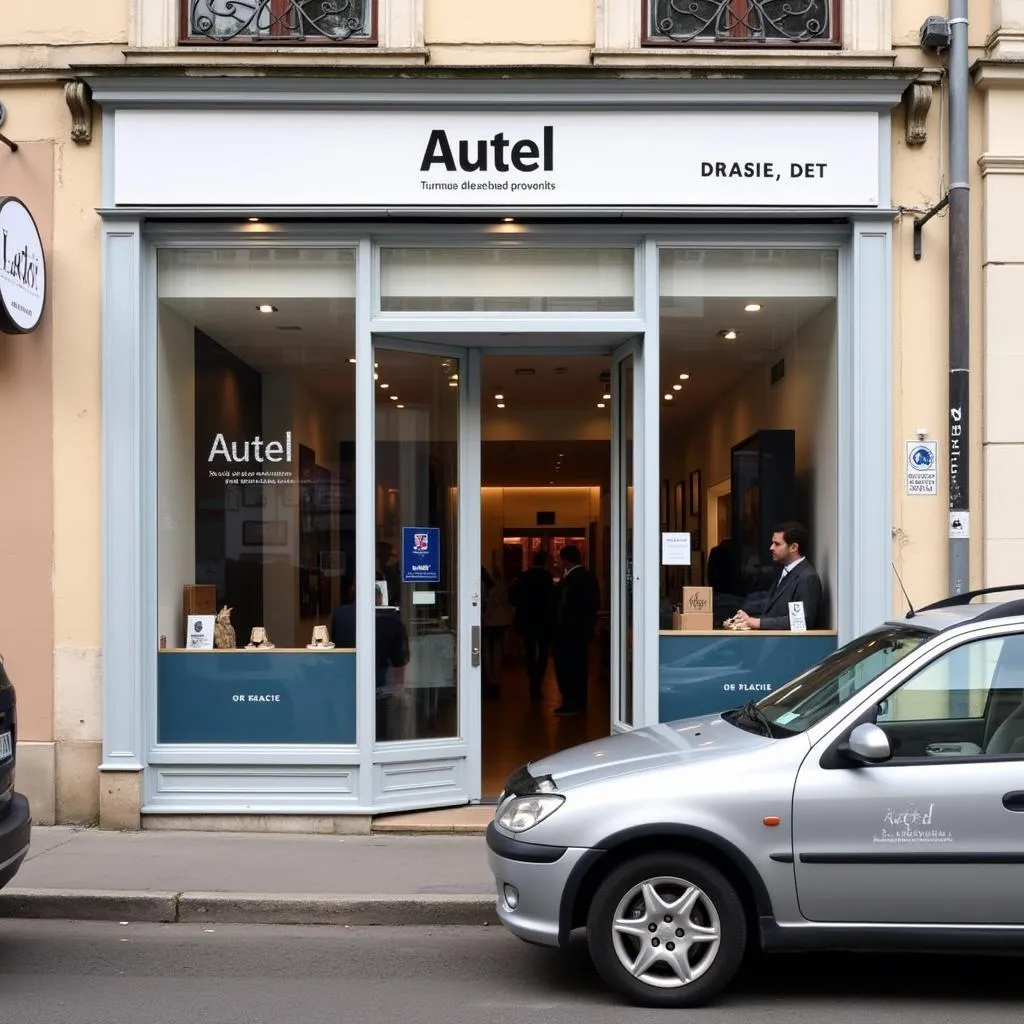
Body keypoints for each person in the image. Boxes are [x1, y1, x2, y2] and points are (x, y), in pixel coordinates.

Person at [732, 521, 822, 631]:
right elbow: (773, 611)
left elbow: (801, 621)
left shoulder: (807, 578)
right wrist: (748, 620)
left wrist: (757, 622)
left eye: (777, 544)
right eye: (772, 543)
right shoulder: (784, 570)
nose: (771, 547)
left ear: (793, 547)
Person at [552, 545, 599, 716]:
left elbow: (561, 608)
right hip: (582, 631)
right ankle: (579, 702)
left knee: (566, 669)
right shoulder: (589, 577)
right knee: (580, 668)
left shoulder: (571, 580)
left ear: (566, 560)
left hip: (567, 632)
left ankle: (571, 703)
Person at [509, 551, 555, 701]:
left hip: (527, 620)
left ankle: (532, 681)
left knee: (529, 653)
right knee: (542, 653)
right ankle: (537, 683)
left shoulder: (524, 576)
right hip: (544, 621)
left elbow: (514, 598)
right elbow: (551, 600)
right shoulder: (547, 578)